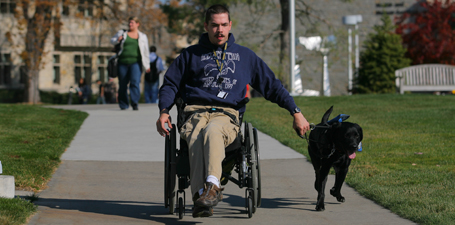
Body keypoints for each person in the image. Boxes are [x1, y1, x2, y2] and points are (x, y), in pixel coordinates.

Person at [156, 4, 310, 218]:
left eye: (223, 25)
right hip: (195, 112)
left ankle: (211, 187)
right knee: (195, 134)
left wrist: (295, 112)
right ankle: (201, 196)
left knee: (212, 131)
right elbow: (170, 84)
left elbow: (272, 86)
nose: (219, 30)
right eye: (214, 25)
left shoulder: (245, 56)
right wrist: (164, 111)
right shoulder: (190, 55)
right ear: (206, 26)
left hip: (226, 114)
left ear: (230, 25)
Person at [110, 16, 150, 110]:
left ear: (137, 24)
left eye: (132, 23)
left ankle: (135, 102)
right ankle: (123, 104)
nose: (130, 24)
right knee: (123, 83)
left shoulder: (143, 36)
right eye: (129, 23)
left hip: (136, 63)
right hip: (122, 62)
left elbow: (145, 51)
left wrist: (147, 65)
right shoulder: (123, 33)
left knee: (135, 82)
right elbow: (112, 41)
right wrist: (117, 40)